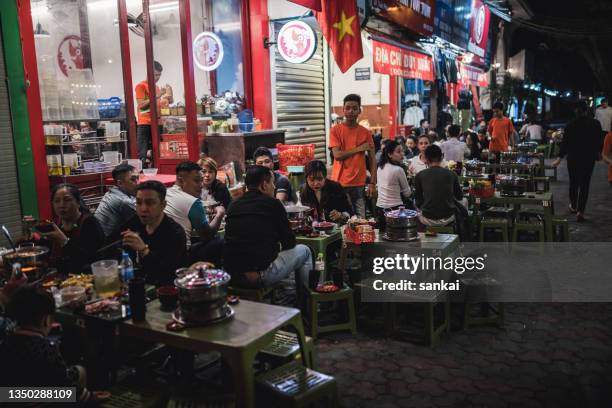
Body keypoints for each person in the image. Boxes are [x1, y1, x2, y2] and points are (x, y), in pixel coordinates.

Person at [0, 286, 109, 403]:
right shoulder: (45, 349)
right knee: (80, 372)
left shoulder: (6, 343)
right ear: (46, 320)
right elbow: (64, 384)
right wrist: (88, 396)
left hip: (8, 396)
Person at [223, 166, 312, 290]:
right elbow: (289, 243)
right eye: (272, 183)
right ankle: (308, 304)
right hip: (258, 276)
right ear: (264, 185)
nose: (274, 187)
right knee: (305, 251)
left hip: (231, 275)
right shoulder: (273, 204)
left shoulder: (233, 205)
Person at [116, 181, 187, 287]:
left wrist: (144, 250)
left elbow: (167, 274)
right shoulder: (135, 222)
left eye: (149, 203)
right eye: (139, 203)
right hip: (135, 284)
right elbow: (110, 244)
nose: (143, 209)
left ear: (163, 205)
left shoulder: (175, 232)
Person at [164, 161, 225, 263]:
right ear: (181, 180)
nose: (201, 185)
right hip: (181, 257)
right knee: (219, 243)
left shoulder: (166, 192)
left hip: (163, 252)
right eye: (196, 181)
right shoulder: (192, 202)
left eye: (201, 181)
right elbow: (207, 235)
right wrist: (220, 214)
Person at [552, 101, 603, 221]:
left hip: (573, 158)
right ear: (586, 110)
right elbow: (599, 140)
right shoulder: (595, 124)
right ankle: (580, 211)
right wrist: (599, 153)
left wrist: (559, 158)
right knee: (585, 184)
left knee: (574, 183)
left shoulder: (570, 125)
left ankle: (574, 206)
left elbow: (565, 144)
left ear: (575, 111)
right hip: (588, 158)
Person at [39, 184, 104, 274]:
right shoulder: (55, 223)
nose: (61, 205)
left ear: (78, 203)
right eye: (57, 201)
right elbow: (47, 253)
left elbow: (90, 259)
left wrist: (63, 241)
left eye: (67, 200)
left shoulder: (89, 223)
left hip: (84, 278)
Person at [329, 94, 377, 218]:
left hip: (359, 184)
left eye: (354, 108)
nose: (351, 111)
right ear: (343, 109)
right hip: (339, 183)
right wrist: (359, 149)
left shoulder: (366, 133)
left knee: (360, 220)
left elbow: (372, 160)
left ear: (359, 110)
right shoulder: (335, 130)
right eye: (348, 108)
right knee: (341, 218)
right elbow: (337, 155)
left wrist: (372, 183)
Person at [135, 60, 173, 167]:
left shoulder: (156, 87)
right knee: (142, 152)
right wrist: (157, 95)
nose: (158, 77)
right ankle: (140, 174)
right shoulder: (141, 86)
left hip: (157, 123)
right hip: (145, 123)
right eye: (156, 75)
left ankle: (156, 170)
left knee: (157, 152)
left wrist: (169, 97)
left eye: (159, 75)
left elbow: (157, 105)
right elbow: (141, 105)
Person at [414, 145, 463, 226]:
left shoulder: (419, 175)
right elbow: (459, 197)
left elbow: (418, 201)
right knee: (464, 202)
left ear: (426, 158)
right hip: (448, 217)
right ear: (442, 157)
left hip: (427, 218)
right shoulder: (452, 174)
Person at [94, 163, 138, 238]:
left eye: (138, 178)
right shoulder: (123, 201)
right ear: (120, 183)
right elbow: (144, 220)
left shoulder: (112, 191)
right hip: (105, 245)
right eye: (133, 179)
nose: (138, 182)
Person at [376, 140, 412, 230]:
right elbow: (407, 193)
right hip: (395, 210)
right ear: (389, 154)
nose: (402, 154)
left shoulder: (380, 168)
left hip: (380, 209)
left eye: (402, 151)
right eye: (398, 151)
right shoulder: (398, 170)